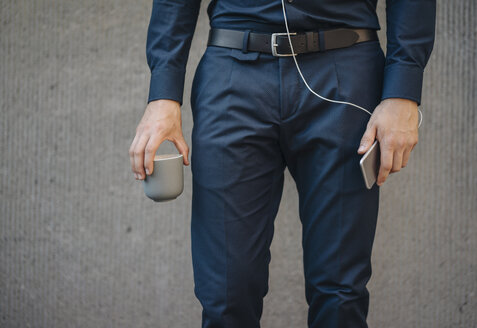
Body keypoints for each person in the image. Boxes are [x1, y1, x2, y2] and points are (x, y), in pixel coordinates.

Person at [129, 0, 436, 327]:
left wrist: (403, 89)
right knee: (225, 293)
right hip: (233, 70)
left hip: (346, 69)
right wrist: (163, 94)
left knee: (340, 292)